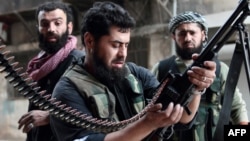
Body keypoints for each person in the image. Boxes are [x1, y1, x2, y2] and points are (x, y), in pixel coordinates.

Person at [49, 2, 216, 141]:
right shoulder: (68, 90)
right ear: (90, 40)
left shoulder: (137, 75)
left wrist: (196, 87)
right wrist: (147, 124)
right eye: (115, 45)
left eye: (126, 45)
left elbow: (181, 118)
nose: (123, 54)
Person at [151, 11, 249, 141]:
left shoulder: (220, 69)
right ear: (173, 36)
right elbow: (148, 108)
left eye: (192, 33)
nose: (187, 38)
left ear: (203, 35)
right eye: (182, 33)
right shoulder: (161, 69)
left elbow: (237, 108)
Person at [17, 1, 85, 141]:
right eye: (45, 24)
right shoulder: (37, 66)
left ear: (69, 27)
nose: (51, 29)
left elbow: (94, 111)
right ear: (38, 28)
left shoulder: (80, 62)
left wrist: (50, 117)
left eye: (57, 23)